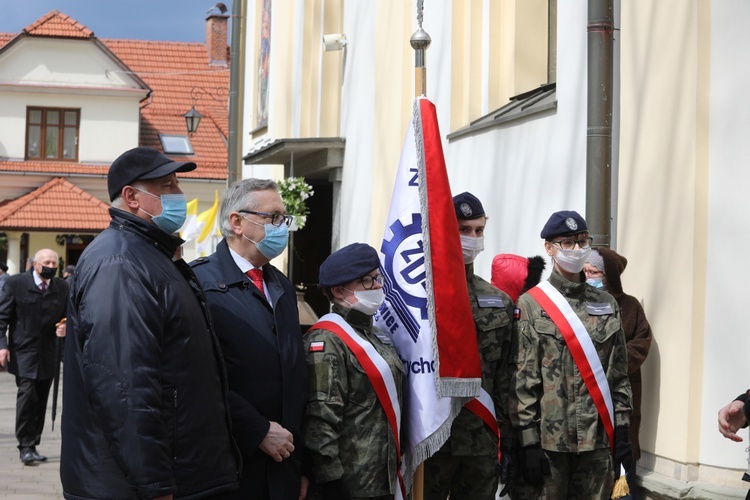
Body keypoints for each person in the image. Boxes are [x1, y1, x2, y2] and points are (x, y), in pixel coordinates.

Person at [60, 147, 240, 499]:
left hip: (176, 470)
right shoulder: (119, 262)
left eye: (176, 184)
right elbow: (124, 385)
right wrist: (154, 485)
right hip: (129, 485)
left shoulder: (149, 254)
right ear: (132, 197)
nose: (179, 195)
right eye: (167, 186)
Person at [190, 178, 308, 499]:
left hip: (283, 465)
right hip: (229, 463)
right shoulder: (197, 283)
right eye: (273, 217)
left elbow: (294, 379)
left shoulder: (281, 285)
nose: (281, 226)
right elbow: (196, 377)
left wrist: (302, 464)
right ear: (237, 222)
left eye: (284, 218)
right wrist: (256, 430)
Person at [509, 210, 632, 499]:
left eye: (582, 241)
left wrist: (623, 431)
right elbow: (522, 379)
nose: (577, 249)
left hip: (598, 442)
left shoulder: (606, 303)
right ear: (549, 248)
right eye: (567, 242)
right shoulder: (530, 304)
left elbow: (619, 373)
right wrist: (527, 442)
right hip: (550, 443)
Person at [422, 192, 515, 500]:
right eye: (464, 230)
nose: (473, 238)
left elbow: (506, 377)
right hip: (431, 439)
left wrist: (513, 440)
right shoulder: (419, 298)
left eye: (479, 230)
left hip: (480, 439)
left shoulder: (498, 301)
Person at [303, 243, 404, 499]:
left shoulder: (377, 336)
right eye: (366, 281)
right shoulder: (327, 341)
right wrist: (330, 480)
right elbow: (321, 419)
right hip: (351, 483)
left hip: (383, 477)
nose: (377, 286)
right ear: (338, 290)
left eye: (377, 278)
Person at [585, 248, 653, 499]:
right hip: (586, 395)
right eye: (585, 270)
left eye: (593, 272)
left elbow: (642, 341)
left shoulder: (630, 306)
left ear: (609, 276)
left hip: (621, 393)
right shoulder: (579, 302)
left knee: (623, 457)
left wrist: (612, 363)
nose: (588, 275)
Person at [0, 249, 67, 465]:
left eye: (54, 262)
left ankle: (34, 443)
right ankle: (25, 446)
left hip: (48, 353)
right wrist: (2, 347)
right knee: (27, 396)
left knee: (41, 399)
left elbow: (69, 315)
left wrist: (65, 325)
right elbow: (2, 318)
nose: (50, 265)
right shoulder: (16, 284)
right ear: (34, 264)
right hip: (23, 352)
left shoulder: (62, 287)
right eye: (46, 261)